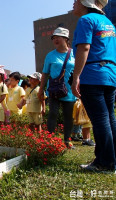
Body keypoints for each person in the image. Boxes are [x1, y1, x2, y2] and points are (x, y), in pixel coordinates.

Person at [71, 0, 116, 173]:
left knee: (100, 119)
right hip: (110, 74)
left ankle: (105, 163)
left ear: (85, 3)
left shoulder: (86, 20)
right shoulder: (109, 24)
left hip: (93, 73)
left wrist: (76, 77)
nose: (73, 3)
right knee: (109, 117)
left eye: (76, 0)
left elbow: (84, 48)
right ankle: (111, 159)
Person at [38, 27, 76, 149]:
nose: (55, 39)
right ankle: (50, 140)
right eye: (53, 37)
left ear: (65, 39)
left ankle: (66, 140)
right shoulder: (50, 55)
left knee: (68, 115)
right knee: (53, 113)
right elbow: (45, 73)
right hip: (54, 89)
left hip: (69, 90)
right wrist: (41, 89)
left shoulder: (74, 53)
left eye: (58, 37)